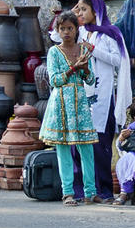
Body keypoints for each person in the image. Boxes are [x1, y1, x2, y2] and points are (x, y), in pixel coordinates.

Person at [69, 0, 132, 202]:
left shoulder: (109, 34)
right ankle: (81, 191)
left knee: (100, 145)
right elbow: (55, 33)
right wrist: (72, 13)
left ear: (96, 11)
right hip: (82, 95)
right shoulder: (80, 32)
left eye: (84, 9)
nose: (81, 13)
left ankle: (103, 190)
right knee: (79, 143)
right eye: (79, 9)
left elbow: (117, 60)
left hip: (103, 96)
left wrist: (93, 50)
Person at [38, 12, 99, 206]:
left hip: (80, 102)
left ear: (76, 30)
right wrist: (73, 68)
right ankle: (68, 193)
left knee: (86, 148)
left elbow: (90, 80)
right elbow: (55, 80)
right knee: (63, 149)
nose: (66, 32)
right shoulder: (54, 52)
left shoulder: (83, 50)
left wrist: (85, 69)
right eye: (62, 28)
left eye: (70, 28)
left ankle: (91, 192)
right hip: (61, 103)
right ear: (57, 31)